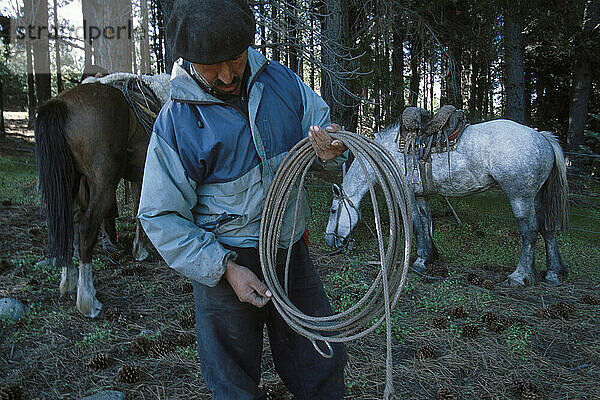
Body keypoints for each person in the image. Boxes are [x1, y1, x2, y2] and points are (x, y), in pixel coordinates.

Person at [137, 0, 347, 399]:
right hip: (225, 257)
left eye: (235, 58)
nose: (229, 74)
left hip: (288, 250)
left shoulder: (283, 85)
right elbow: (160, 215)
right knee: (231, 380)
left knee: (321, 356)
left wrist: (331, 144)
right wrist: (225, 269)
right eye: (211, 65)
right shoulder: (177, 121)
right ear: (190, 60)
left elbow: (324, 130)